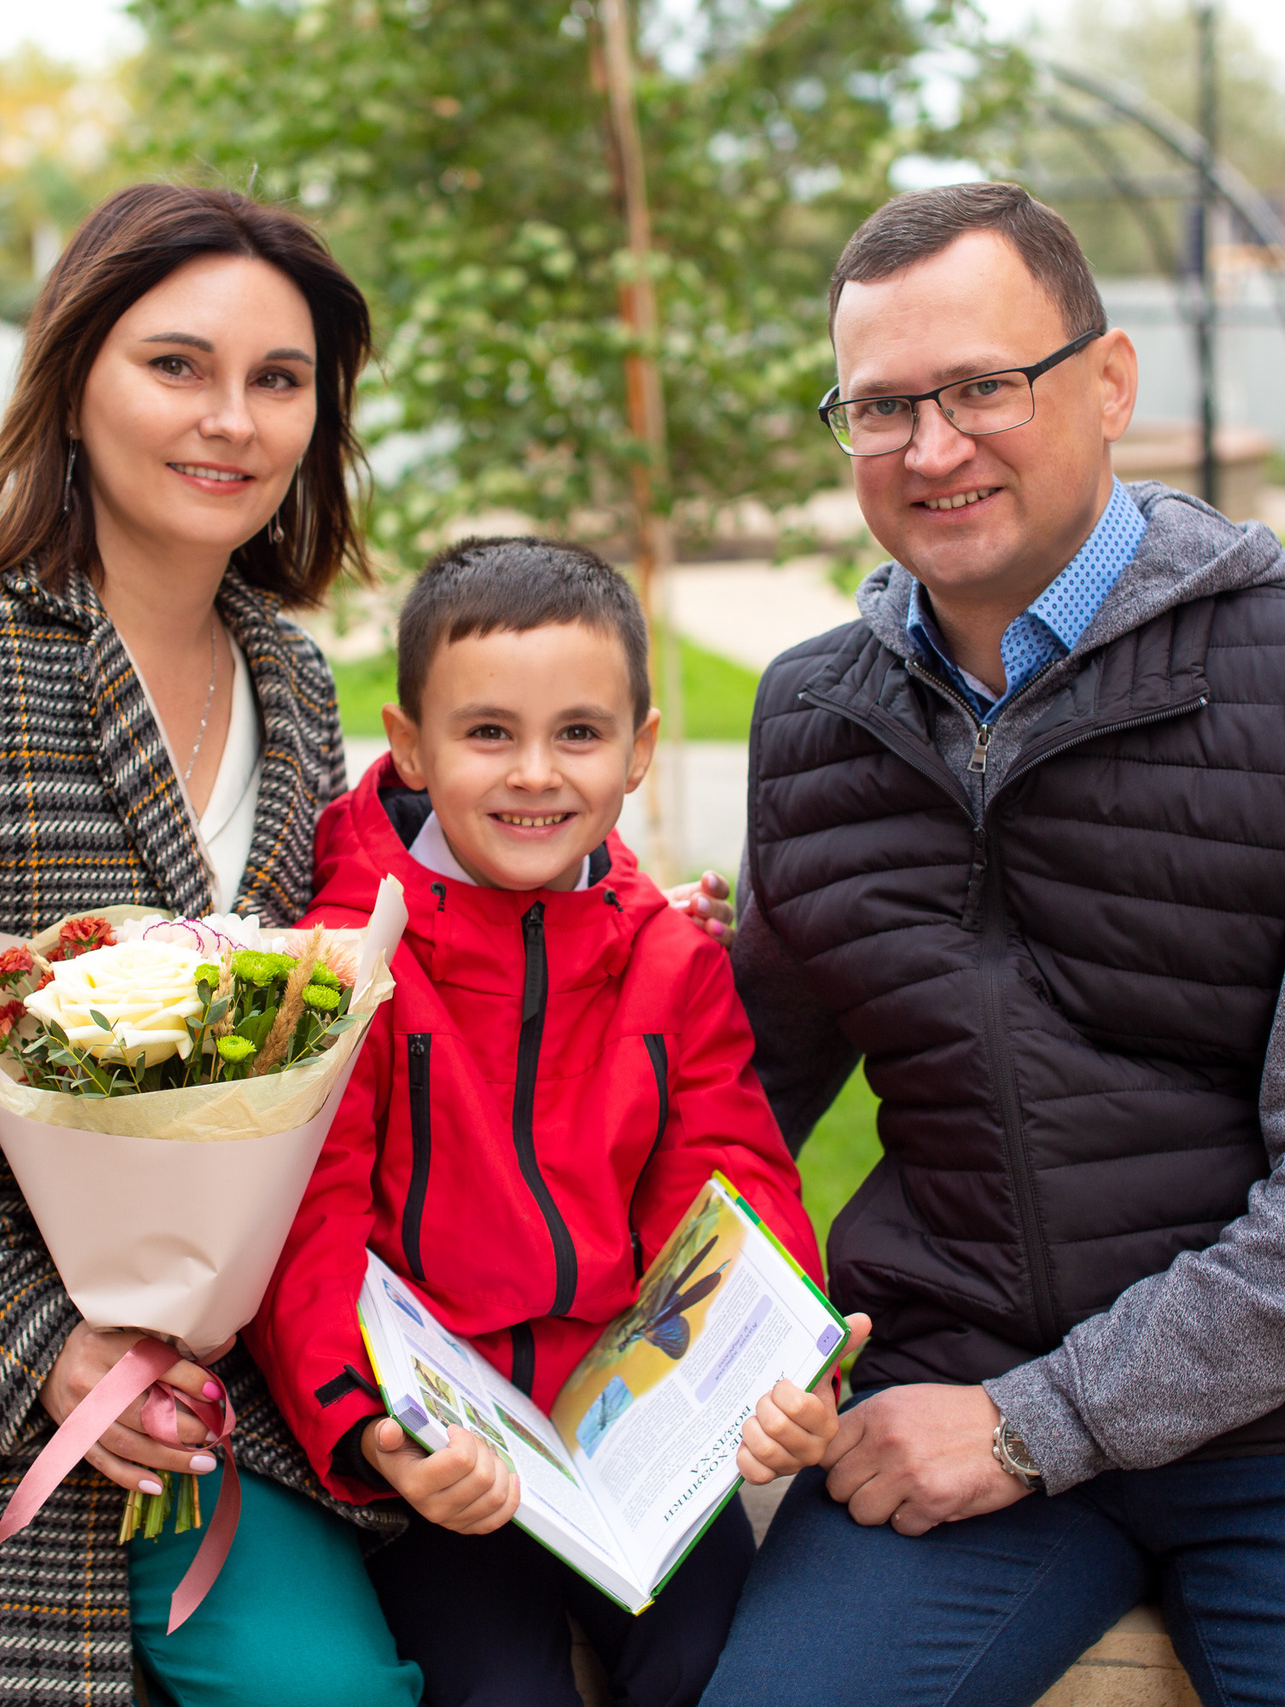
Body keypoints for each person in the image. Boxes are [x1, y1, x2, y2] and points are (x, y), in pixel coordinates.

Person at [699, 183, 1285, 1707]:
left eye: (983, 387)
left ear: (1110, 379)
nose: (934, 446)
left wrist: (1032, 1422)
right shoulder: (815, 715)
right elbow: (728, 1093)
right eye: (883, 406)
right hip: (945, 1373)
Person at [245, 538, 864, 1707]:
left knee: (719, 1666)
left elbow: (730, 1179)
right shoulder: (347, 957)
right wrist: (370, 1425)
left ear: (638, 750)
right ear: (412, 745)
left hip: (627, 1437)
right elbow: (307, 1221)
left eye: (578, 734)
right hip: (447, 1450)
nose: (536, 773)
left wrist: (786, 1364)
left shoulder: (668, 959)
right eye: (488, 734)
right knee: (498, 1691)